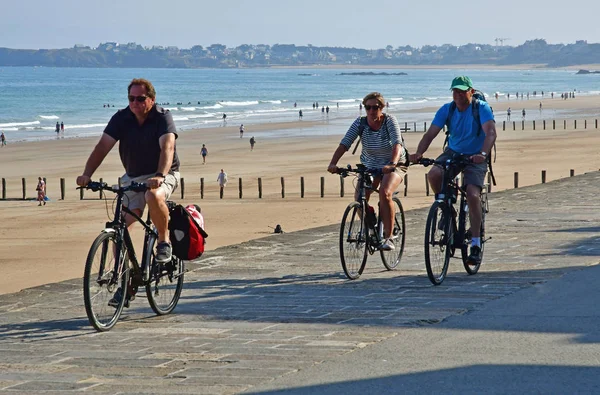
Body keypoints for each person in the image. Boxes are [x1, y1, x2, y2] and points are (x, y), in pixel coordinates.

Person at [76, 78, 180, 269]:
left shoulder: (162, 117)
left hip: (164, 174)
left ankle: (164, 243)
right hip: (133, 177)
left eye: (140, 99)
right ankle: (125, 278)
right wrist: (87, 174)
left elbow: (168, 147)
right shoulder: (121, 118)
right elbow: (102, 147)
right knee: (120, 228)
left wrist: (159, 175)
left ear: (152, 99)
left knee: (153, 195)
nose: (135, 103)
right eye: (131, 99)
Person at [409, 76, 496, 266]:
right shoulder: (447, 109)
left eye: (461, 91)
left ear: (470, 91)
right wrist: (419, 153)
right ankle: (447, 210)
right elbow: (430, 134)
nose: (457, 95)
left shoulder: (480, 108)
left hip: (476, 155)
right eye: (454, 91)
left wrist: (482, 153)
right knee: (434, 174)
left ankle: (475, 243)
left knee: (472, 194)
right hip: (454, 151)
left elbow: (490, 132)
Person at [327, 92, 407, 251]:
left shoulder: (390, 121)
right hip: (370, 165)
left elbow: (397, 144)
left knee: (385, 192)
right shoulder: (360, 123)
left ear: (382, 108)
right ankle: (371, 224)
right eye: (368, 107)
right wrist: (333, 163)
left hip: (394, 163)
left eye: (375, 107)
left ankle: (388, 237)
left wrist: (392, 163)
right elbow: (345, 144)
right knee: (359, 198)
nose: (371, 111)